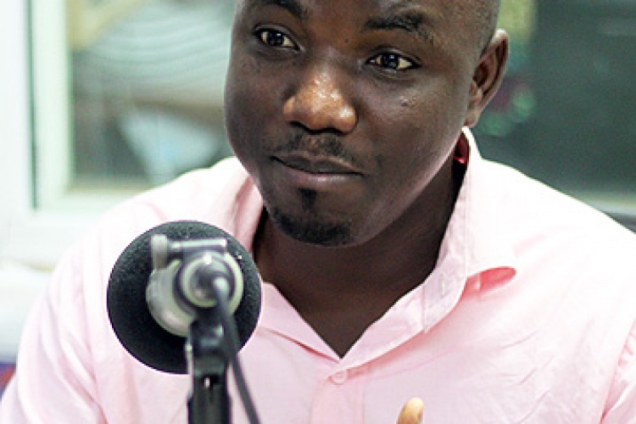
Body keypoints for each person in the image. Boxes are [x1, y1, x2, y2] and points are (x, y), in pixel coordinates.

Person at [2, 0, 636, 422]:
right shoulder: (114, 279)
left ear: (480, 81)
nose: (316, 104)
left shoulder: (608, 313)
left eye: (390, 60)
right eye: (275, 38)